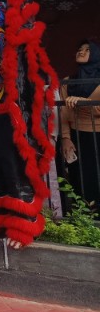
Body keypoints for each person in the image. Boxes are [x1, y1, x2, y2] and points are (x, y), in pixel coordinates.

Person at [60, 40, 100, 211]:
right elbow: (63, 113)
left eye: (87, 50)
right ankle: (81, 219)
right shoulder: (68, 81)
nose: (81, 52)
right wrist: (66, 138)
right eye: (79, 49)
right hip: (77, 136)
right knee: (79, 179)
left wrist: (85, 103)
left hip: (97, 136)